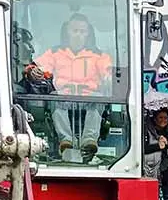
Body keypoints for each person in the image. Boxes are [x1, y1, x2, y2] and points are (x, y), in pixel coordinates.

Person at [29, 13, 113, 159]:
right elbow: (39, 67)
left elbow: (108, 72)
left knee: (99, 98)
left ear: (88, 34)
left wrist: (109, 78)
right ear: (67, 32)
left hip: (90, 98)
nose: (78, 35)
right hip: (63, 97)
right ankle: (65, 140)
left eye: (82, 31)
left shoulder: (99, 55)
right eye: (75, 31)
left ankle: (89, 140)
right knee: (54, 97)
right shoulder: (55, 53)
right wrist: (33, 71)